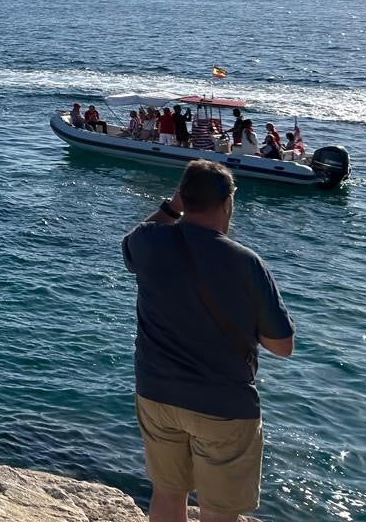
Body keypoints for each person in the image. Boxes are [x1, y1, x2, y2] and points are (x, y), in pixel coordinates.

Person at [122, 161, 294, 522]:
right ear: (228, 202)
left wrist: (172, 207)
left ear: (182, 198)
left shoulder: (148, 242)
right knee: (218, 511)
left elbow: (135, 240)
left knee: (167, 494)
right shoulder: (247, 262)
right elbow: (282, 346)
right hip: (223, 406)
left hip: (157, 393)